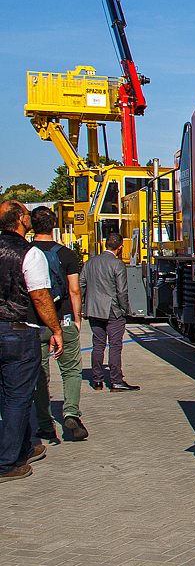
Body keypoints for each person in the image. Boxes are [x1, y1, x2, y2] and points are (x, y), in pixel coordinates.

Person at [0, 201, 63, 482]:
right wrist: (55, 329)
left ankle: (23, 447)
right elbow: (39, 296)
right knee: (18, 397)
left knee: (8, 396)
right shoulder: (30, 253)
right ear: (22, 219)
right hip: (18, 330)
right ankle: (7, 462)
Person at [29, 207, 87, 442]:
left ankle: (45, 423)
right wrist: (77, 317)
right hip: (63, 319)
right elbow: (74, 289)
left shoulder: (26, 253)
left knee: (40, 374)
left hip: (35, 323)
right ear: (55, 225)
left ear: (32, 225)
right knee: (71, 370)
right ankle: (71, 412)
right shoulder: (67, 254)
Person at [79, 232, 138, 391]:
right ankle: (116, 380)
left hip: (93, 309)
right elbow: (122, 291)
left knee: (97, 344)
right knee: (115, 345)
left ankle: (97, 380)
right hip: (112, 310)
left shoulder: (90, 262)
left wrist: (84, 305)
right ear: (120, 247)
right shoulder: (117, 264)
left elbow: (81, 285)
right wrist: (125, 309)